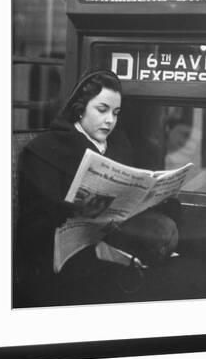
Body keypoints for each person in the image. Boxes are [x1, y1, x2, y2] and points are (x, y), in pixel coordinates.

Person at [14, 69, 180, 308]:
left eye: (116, 113)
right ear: (80, 108)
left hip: (112, 239)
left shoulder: (119, 143)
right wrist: (74, 209)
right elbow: (34, 224)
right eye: (102, 110)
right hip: (62, 258)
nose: (110, 120)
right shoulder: (44, 149)